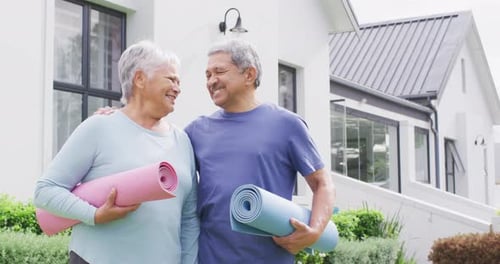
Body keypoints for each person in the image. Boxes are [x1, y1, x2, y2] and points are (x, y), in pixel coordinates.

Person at [34, 40, 199, 264]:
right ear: (140, 79)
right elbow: (46, 191)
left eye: (179, 81)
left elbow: (189, 219)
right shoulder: (99, 127)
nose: (178, 88)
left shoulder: (182, 141)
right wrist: (93, 215)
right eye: (171, 79)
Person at [184, 38, 336, 263]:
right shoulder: (196, 131)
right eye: (207, 75)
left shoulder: (287, 125)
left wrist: (314, 230)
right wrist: (117, 114)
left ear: (249, 74)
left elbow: (323, 183)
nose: (211, 81)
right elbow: (161, 150)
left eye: (219, 72)